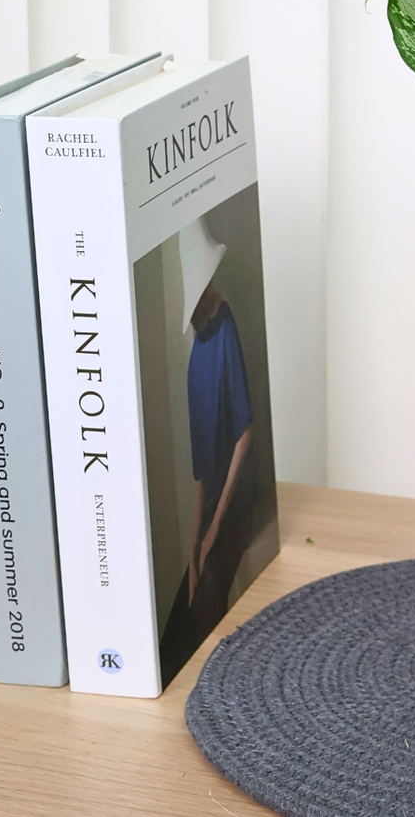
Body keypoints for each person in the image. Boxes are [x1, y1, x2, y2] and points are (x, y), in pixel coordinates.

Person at [159, 216, 255, 687]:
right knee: (185, 603)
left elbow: (244, 435)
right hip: (213, 507)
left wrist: (216, 528)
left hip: (237, 501)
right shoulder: (196, 358)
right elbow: (201, 479)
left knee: (205, 614)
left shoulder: (226, 324)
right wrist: (195, 549)